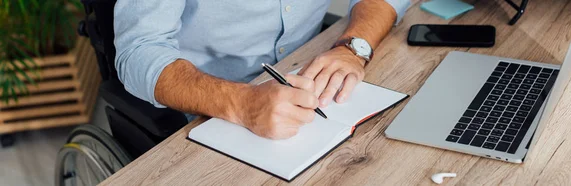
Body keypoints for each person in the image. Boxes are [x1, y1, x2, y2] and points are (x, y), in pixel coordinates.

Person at [113, 0, 410, 139]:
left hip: (310, 70)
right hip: (211, 101)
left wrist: (353, 48)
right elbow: (138, 50)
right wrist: (242, 103)